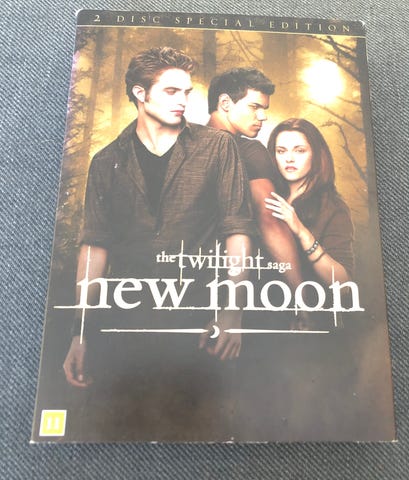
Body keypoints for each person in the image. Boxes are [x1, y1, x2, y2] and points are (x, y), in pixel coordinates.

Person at [62, 47, 254, 440]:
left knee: (204, 431)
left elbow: (237, 232)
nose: (183, 100)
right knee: (120, 430)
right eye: (171, 91)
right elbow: (94, 249)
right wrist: (79, 332)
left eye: (187, 91)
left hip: (198, 322)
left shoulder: (218, 146)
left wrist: (233, 312)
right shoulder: (105, 162)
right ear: (140, 93)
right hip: (125, 323)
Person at [207, 68, 306, 327]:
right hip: (251, 292)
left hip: (188, 287)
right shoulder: (248, 150)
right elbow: (270, 219)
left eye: (264, 109)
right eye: (254, 107)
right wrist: (301, 298)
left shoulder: (185, 145)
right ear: (225, 103)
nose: (262, 116)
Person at [265, 117, 354, 291]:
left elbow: (343, 285)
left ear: (316, 154)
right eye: (281, 151)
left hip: (311, 303)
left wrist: (302, 232)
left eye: (299, 151)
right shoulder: (267, 195)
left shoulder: (334, 208)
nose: (289, 159)